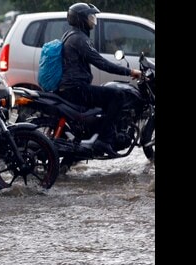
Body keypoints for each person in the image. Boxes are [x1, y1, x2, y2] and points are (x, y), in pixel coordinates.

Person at [57, 3, 141, 157]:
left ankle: (92, 138)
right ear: (82, 19)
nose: (93, 20)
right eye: (90, 17)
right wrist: (129, 71)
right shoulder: (79, 39)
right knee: (117, 95)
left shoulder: (70, 35)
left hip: (70, 88)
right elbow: (102, 63)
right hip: (76, 90)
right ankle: (104, 140)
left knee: (105, 97)